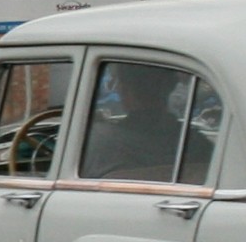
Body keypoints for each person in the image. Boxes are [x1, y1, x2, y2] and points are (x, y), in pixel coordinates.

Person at [80, 63, 212, 182]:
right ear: (170, 87)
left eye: (115, 82)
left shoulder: (96, 142)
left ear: (124, 89)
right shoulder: (197, 144)